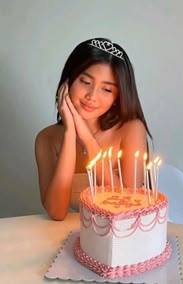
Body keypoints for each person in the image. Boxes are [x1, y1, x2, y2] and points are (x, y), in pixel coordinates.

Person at [35, 38, 152, 221]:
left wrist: (87, 138)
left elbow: (127, 208)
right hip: (71, 238)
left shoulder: (131, 130)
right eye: (85, 82)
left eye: (106, 89)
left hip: (122, 240)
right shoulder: (46, 139)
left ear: (118, 96)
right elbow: (56, 212)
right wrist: (70, 134)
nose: (92, 96)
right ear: (68, 80)